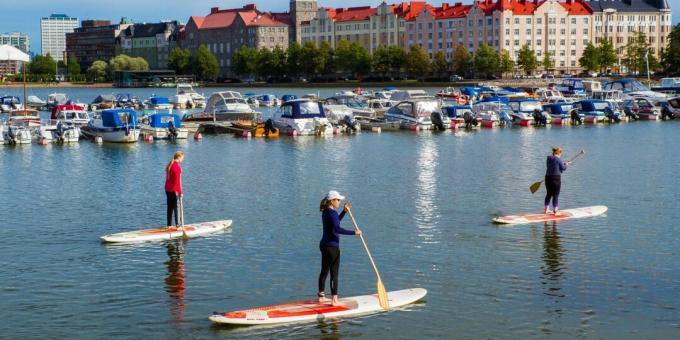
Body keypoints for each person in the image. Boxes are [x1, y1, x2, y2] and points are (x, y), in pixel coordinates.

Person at [318, 191, 361, 306]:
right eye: (338, 200)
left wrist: (344, 212)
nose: (339, 202)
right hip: (332, 248)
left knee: (324, 271)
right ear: (332, 201)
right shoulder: (331, 213)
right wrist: (354, 232)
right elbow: (337, 229)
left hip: (324, 245)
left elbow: (335, 222)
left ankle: (321, 297)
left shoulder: (326, 212)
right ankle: (334, 300)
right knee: (334, 273)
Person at [545, 147, 569, 214]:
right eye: (561, 153)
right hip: (556, 179)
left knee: (549, 193)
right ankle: (555, 210)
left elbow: (551, 167)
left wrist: (561, 166)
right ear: (559, 153)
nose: (561, 155)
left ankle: (546, 209)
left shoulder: (548, 158)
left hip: (547, 178)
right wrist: (566, 164)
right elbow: (563, 168)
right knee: (555, 194)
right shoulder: (558, 159)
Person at [165, 151, 184, 228]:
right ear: (179, 157)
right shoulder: (177, 168)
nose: (183, 160)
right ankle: (178, 224)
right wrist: (180, 193)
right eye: (183, 158)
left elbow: (169, 179)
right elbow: (177, 182)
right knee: (176, 206)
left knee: (170, 206)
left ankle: (169, 225)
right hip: (174, 190)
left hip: (167, 189)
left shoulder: (170, 165)